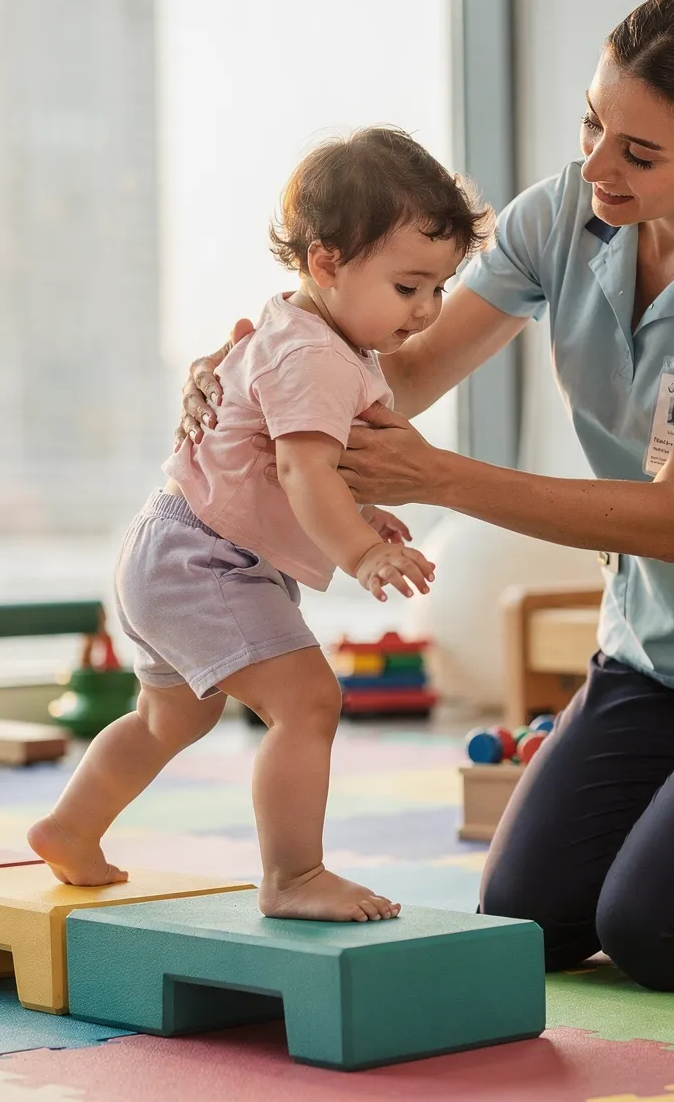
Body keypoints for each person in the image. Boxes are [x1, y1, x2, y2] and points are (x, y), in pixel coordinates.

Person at [176, 0, 674, 988]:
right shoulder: (563, 216)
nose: (595, 167)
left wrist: (438, 478)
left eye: (637, 152)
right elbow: (393, 376)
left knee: (667, 936)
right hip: (660, 639)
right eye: (591, 124)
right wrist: (263, 368)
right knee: (533, 918)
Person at [32, 127, 488, 923]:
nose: (427, 312)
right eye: (409, 286)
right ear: (325, 262)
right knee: (308, 703)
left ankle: (70, 828)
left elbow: (307, 470)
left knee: (170, 715)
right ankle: (294, 874)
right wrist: (359, 555)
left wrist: (366, 516)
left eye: (440, 288)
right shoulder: (312, 355)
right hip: (202, 560)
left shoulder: (315, 337)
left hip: (172, 550)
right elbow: (301, 472)